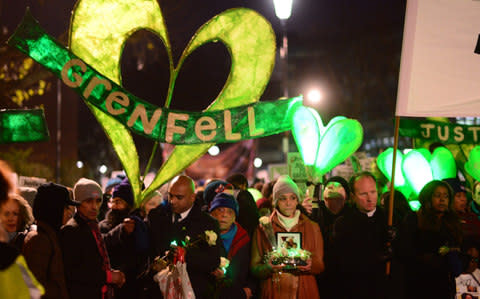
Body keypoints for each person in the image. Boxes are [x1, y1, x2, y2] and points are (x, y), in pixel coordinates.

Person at [251, 175, 324, 298]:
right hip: (274, 290)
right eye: (283, 198)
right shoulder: (263, 228)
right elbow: (254, 268)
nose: (288, 203)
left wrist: (310, 265)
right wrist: (268, 267)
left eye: (293, 198)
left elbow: (320, 265)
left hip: (304, 291)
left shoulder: (312, 227)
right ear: (276, 201)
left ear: (298, 200)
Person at [148, 175, 221, 299]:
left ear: (192, 197)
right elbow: (148, 251)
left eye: (179, 197)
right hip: (160, 289)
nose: (173, 201)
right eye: (170, 195)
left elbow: (213, 260)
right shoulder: (157, 217)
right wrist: (155, 265)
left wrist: (187, 255)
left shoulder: (207, 223)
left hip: (193, 291)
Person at [60, 178, 127, 299]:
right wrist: (110, 276)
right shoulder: (71, 230)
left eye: (98, 201)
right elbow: (75, 273)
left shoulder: (93, 226)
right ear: (78, 202)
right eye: (88, 201)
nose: (94, 207)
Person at [399, 180, 463, 299]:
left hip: (444, 282)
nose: (442, 200)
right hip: (419, 281)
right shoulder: (414, 218)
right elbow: (405, 249)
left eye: (446, 196)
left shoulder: (451, 222)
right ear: (428, 197)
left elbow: (457, 247)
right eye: (437, 196)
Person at [330, 171, 389, 299]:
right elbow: (342, 261)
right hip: (356, 288)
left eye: (373, 192)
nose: (370, 198)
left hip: (385, 287)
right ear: (352, 196)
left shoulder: (388, 218)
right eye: (363, 194)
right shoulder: (344, 223)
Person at [23, 182, 81, 299]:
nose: (69, 212)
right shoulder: (40, 240)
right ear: (54, 209)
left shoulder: (50, 235)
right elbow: (35, 285)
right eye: (65, 208)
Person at [209, 192, 254, 299]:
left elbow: (253, 269)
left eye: (230, 212)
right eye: (220, 210)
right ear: (211, 213)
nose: (224, 215)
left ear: (234, 217)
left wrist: (250, 289)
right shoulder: (203, 237)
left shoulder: (244, 239)